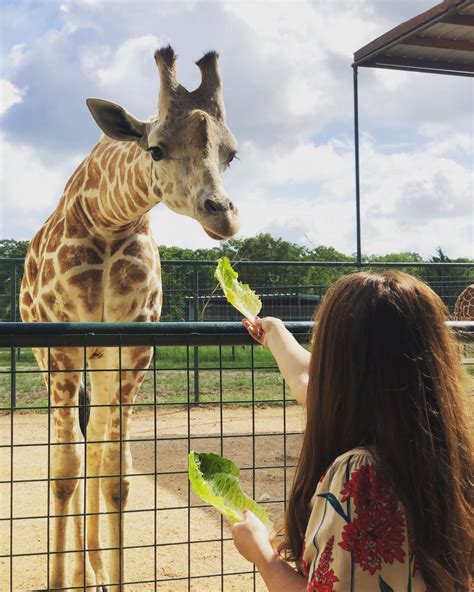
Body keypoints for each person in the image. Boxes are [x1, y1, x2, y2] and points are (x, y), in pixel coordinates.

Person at [232, 271, 473, 592]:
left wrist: (261, 554)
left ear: (340, 369)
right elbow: (306, 382)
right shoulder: (449, 447)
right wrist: (273, 333)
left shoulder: (362, 477)